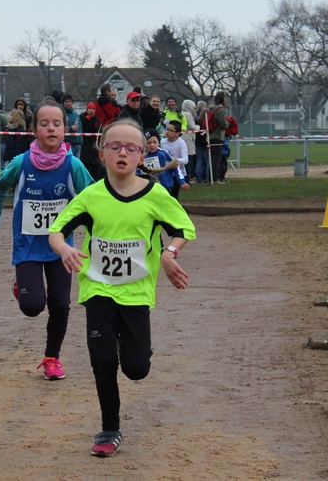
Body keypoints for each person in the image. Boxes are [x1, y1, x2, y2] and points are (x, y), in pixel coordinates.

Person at [48, 119, 196, 458]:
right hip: (98, 289)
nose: (122, 153)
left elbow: (183, 230)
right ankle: (109, 428)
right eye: (114, 147)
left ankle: (128, 344)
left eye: (131, 148)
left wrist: (169, 254)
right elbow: (56, 231)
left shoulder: (155, 195)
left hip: (136, 293)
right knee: (102, 360)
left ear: (142, 156)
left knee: (137, 369)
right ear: (102, 154)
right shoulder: (91, 196)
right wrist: (64, 248)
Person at [0, 100, 94, 381]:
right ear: (34, 130)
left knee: (60, 305)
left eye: (57, 124)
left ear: (65, 130)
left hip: (61, 248)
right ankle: (21, 284)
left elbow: (94, 199)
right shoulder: (21, 163)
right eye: (44, 124)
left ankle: (52, 358)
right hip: (28, 246)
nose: (51, 129)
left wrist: (104, 232)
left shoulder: (74, 165)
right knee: (32, 307)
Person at [160, 122, 191, 199]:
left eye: (170, 130)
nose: (167, 132)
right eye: (167, 129)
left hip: (178, 173)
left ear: (177, 133)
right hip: (166, 172)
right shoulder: (162, 142)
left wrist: (174, 161)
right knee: (165, 193)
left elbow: (185, 160)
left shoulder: (181, 143)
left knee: (174, 195)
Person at [207, 91, 228, 184]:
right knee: (217, 159)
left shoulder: (210, 108)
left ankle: (210, 177)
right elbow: (223, 124)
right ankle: (215, 179)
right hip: (218, 135)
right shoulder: (221, 109)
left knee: (211, 158)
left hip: (210, 135)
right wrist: (228, 123)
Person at [79, 102, 103, 181]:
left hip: (94, 147)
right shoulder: (82, 117)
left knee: (95, 170)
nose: (91, 110)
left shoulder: (97, 120)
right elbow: (80, 127)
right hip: (85, 147)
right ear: (87, 109)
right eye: (89, 109)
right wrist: (86, 119)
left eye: (93, 109)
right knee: (85, 168)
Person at [181, 99, 198, 182]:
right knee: (189, 159)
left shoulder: (181, 113)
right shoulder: (188, 114)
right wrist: (198, 127)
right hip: (188, 138)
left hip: (183, 137)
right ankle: (188, 177)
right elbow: (192, 127)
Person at [194, 100, 209, 184]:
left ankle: (199, 178)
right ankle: (207, 177)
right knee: (207, 160)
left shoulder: (196, 118)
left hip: (198, 141)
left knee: (199, 160)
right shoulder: (207, 117)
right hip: (206, 140)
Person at [62, 94, 82, 158]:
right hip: (67, 144)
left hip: (77, 144)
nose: (68, 103)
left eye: (70, 101)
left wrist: (81, 141)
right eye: (66, 102)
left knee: (76, 163)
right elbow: (60, 128)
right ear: (63, 103)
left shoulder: (76, 114)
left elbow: (80, 128)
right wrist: (71, 128)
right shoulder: (62, 114)